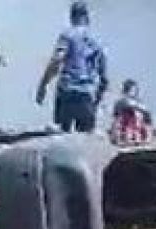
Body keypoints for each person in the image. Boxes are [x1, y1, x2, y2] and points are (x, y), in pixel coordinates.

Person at [36, 1, 108, 133]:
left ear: (71, 17)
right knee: (85, 137)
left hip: (67, 92)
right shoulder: (97, 41)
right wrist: (96, 102)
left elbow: (57, 60)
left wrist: (43, 85)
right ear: (87, 17)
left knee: (62, 134)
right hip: (87, 94)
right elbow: (104, 78)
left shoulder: (67, 35)